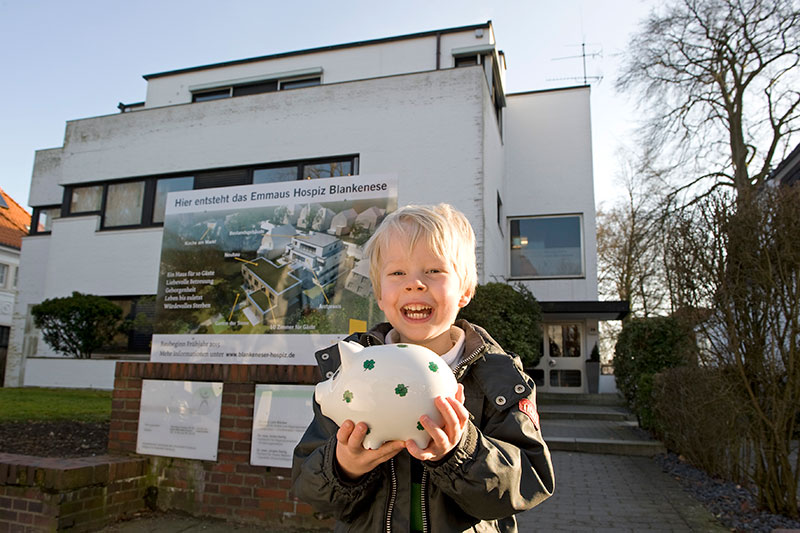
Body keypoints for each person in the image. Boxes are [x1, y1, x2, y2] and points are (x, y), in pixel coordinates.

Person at [292, 203, 554, 532]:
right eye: (397, 273)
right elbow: (309, 487)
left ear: (465, 290)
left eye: (433, 270)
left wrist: (462, 451)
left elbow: (528, 482)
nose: (414, 283)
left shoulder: (499, 379)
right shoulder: (351, 373)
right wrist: (344, 466)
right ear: (379, 294)